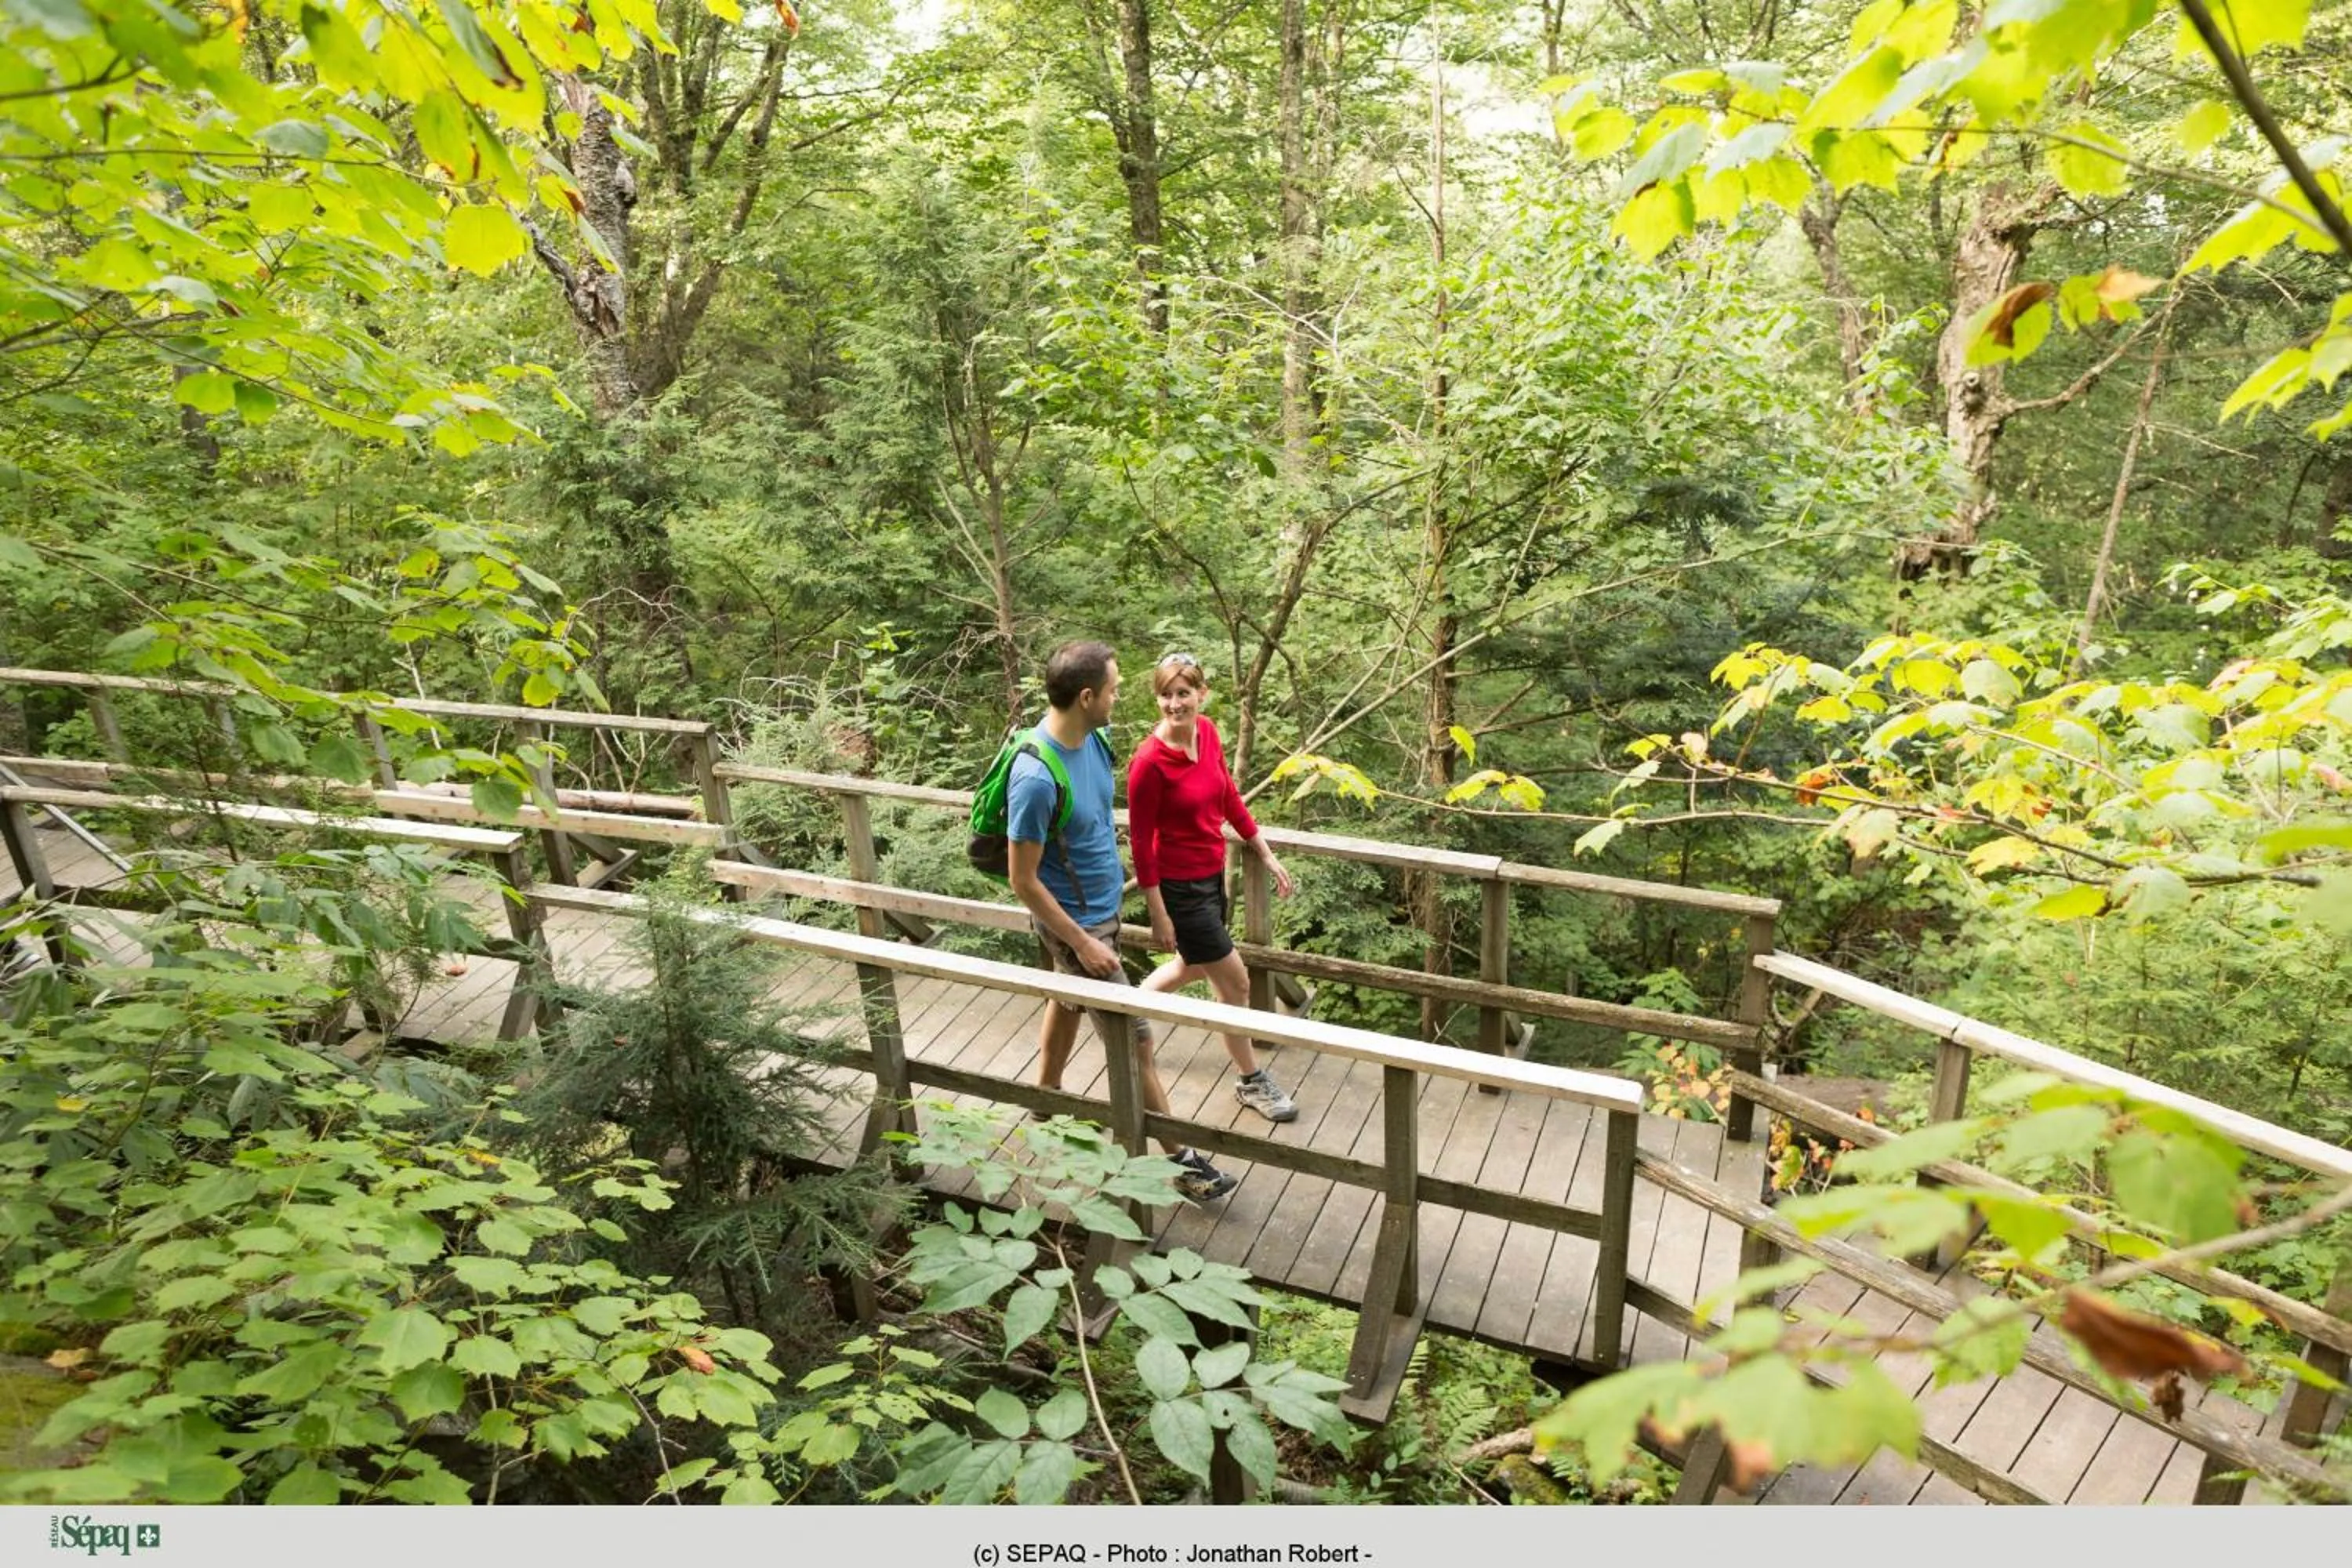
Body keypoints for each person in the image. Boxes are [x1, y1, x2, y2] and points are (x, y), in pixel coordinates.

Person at [1005, 640, 1239, 1202]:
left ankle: (1045, 1099)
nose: (1120, 697)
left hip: (1104, 911)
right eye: (1112, 689)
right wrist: (1081, 942)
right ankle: (1182, 1163)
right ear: (1087, 696)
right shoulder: (1036, 777)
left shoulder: (1095, 739)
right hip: (1077, 925)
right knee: (1137, 1041)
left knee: (1065, 999)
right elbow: (1023, 880)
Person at [1127, 651, 1300, 1124]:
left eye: (1183, 693)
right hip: (1179, 888)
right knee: (1236, 981)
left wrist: (1261, 848)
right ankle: (1251, 1080)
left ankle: (1126, 1016)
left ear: (1201, 694)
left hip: (1211, 874)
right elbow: (1141, 843)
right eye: (1165, 694)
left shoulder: (1208, 733)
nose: (1174, 703)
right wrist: (1158, 911)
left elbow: (1226, 793)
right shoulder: (1148, 763)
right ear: (1157, 699)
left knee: (1193, 966)